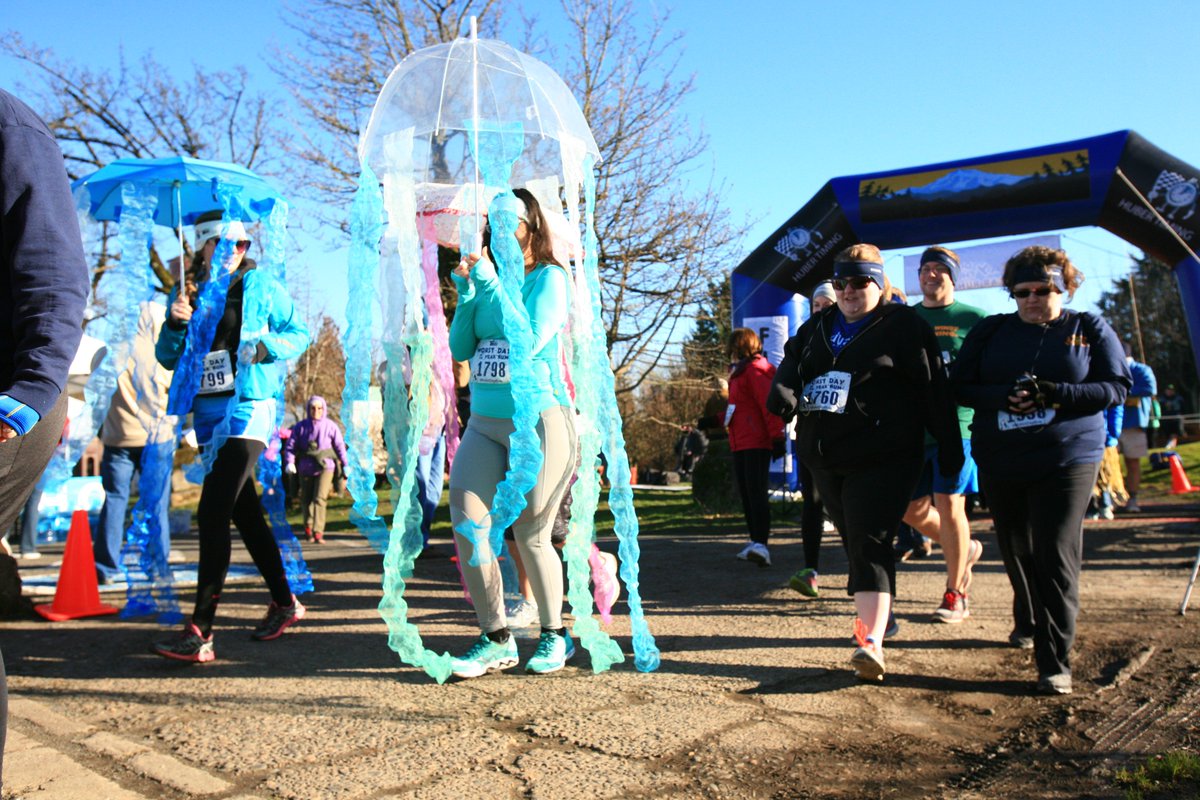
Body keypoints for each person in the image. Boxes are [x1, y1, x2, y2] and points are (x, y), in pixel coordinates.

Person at [768, 244, 962, 682]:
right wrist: (783, 390)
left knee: (870, 539)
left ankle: (870, 641)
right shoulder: (819, 325)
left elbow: (933, 389)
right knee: (856, 542)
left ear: (879, 284)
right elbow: (793, 361)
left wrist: (950, 446)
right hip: (825, 455)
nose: (848, 291)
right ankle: (880, 617)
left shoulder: (904, 326)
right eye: (841, 283)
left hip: (884, 456)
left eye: (860, 282)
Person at [951, 245, 1130, 695]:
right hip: (1003, 457)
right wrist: (1001, 397)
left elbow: (1116, 387)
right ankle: (1028, 619)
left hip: (1068, 456)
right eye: (1023, 291)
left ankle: (1054, 662)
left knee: (1055, 552)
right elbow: (959, 385)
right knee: (1018, 549)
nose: (1033, 298)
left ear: (1063, 288)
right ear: (1011, 293)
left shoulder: (1087, 327)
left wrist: (1056, 393)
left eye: (1044, 290)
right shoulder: (992, 330)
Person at [152, 210, 310, 663]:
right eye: (224, 243)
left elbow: (299, 332)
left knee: (212, 509)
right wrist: (175, 324)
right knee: (244, 512)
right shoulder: (188, 291)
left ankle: (201, 631)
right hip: (206, 412)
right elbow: (168, 357)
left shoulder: (261, 286)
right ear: (204, 247)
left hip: (249, 405)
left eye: (241, 244)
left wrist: (265, 347)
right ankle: (285, 602)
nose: (235, 251)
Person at [446, 188, 578, 678]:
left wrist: (488, 282)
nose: (500, 232)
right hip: (484, 423)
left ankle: (554, 634)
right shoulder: (488, 280)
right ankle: (496, 638)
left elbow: (527, 339)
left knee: (530, 532)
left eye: (510, 223)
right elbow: (461, 347)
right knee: (469, 524)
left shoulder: (550, 278)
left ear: (531, 226)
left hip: (539, 420)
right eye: (493, 224)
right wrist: (467, 296)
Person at [0, 88, 90, 786]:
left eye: (235, 243)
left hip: (13, 396)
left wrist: (26, 396)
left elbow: (55, 277)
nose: (227, 251)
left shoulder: (10, 128)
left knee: (223, 512)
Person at [899, 246, 988, 623]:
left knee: (950, 503)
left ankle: (956, 593)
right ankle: (964, 548)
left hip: (958, 425)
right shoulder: (905, 319)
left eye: (939, 269)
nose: (930, 275)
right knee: (909, 509)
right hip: (915, 428)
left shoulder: (975, 319)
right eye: (925, 269)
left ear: (953, 277)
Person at [93, 301, 174, 583]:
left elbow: (96, 392)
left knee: (115, 500)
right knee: (156, 503)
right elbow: (175, 389)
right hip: (156, 437)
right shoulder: (161, 354)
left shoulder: (107, 353)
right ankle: (158, 566)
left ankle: (105, 567)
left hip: (117, 437)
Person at [788, 281, 836, 597]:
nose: (820, 310)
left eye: (826, 305)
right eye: (815, 305)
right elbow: (789, 374)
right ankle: (810, 570)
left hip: (844, 436)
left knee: (845, 505)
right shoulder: (802, 338)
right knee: (812, 502)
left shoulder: (851, 337)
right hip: (809, 432)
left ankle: (861, 571)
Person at [728, 328, 785, 566]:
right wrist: (713, 420)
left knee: (756, 493)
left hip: (756, 441)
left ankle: (761, 543)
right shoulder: (740, 372)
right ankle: (755, 541)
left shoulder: (755, 370)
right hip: (741, 441)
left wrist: (777, 437)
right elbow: (738, 408)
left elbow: (768, 406)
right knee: (748, 494)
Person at [284, 395, 348, 544]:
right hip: (305, 468)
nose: (316, 411)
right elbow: (290, 446)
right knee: (306, 499)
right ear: (308, 409)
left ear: (324, 409)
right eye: (313, 408)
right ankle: (308, 526)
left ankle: (318, 531)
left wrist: (346, 464)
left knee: (319, 498)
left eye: (319, 408)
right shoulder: (300, 427)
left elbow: (339, 446)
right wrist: (290, 462)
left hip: (326, 467)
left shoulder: (331, 426)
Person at [1119, 345, 1156, 513]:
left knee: (1133, 463)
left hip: (1133, 424)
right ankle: (1109, 498)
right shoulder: (1109, 367)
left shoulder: (1141, 369)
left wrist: (1122, 391)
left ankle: (1132, 498)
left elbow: (1150, 388)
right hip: (1110, 425)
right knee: (1107, 464)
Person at [1158, 383, 1186, 450]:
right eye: (1168, 390)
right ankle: (1171, 444)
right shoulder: (1161, 399)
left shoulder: (1179, 399)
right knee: (1167, 431)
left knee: (1177, 430)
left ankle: (1171, 444)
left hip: (1176, 419)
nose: (1170, 391)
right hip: (1165, 420)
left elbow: (1183, 410)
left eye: (1171, 390)